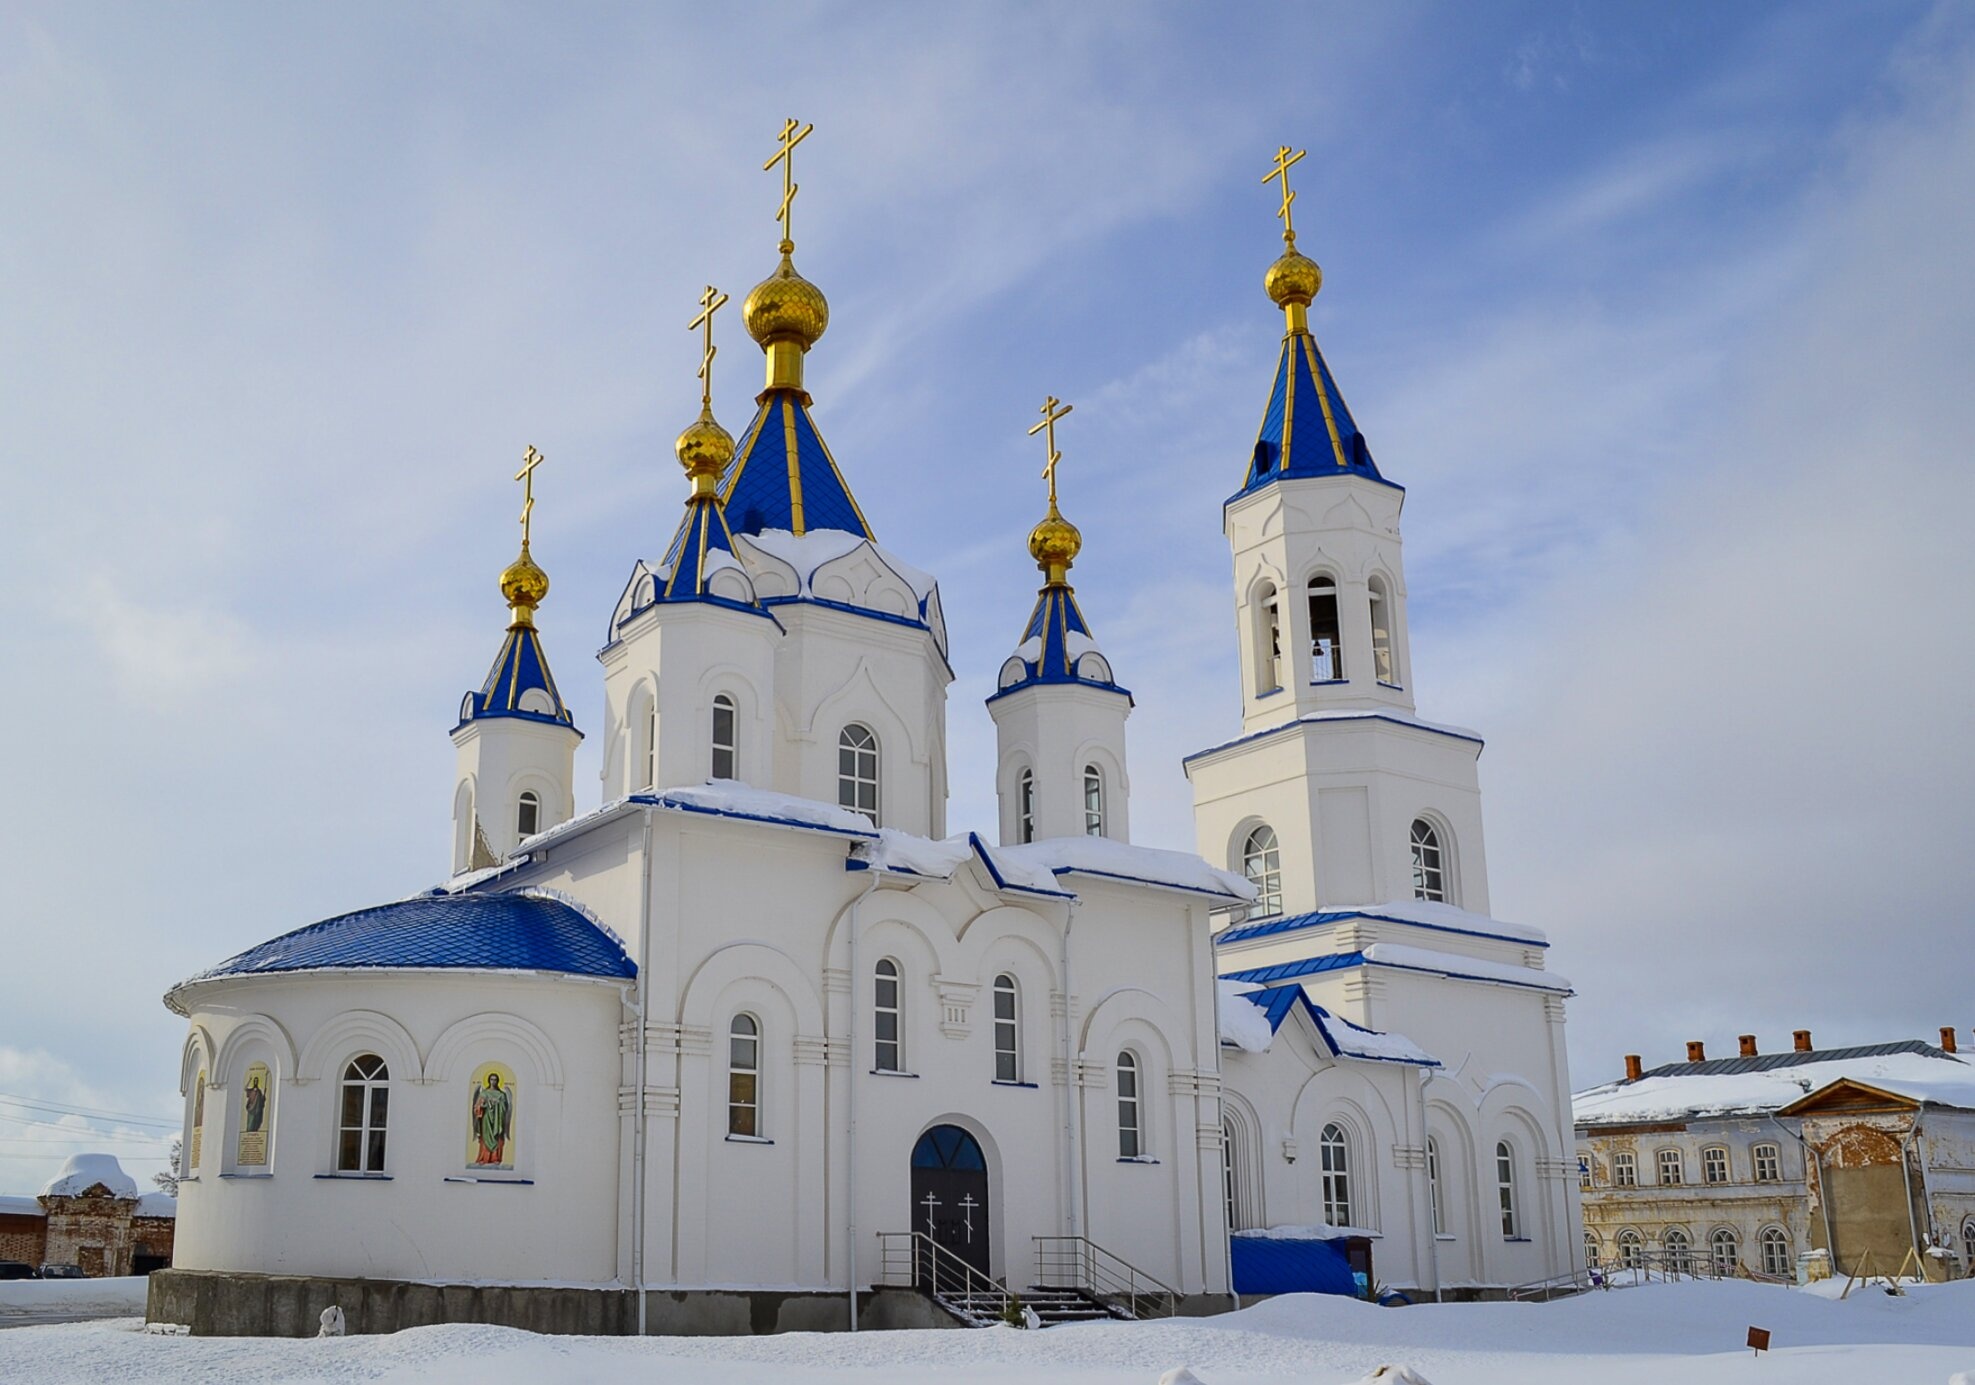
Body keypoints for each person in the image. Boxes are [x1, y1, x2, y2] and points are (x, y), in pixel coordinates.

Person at [471, 1072, 512, 1165]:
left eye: (495, 1080)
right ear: (489, 1080)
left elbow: (504, 1108)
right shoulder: (484, 1093)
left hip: (497, 1119)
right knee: (486, 1136)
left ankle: (495, 1158)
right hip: (486, 1118)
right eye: (491, 1079)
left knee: (496, 1137)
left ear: (498, 1081)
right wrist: (483, 1104)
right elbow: (477, 1107)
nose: (493, 1081)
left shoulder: (501, 1094)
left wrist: (498, 1103)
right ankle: (484, 1158)